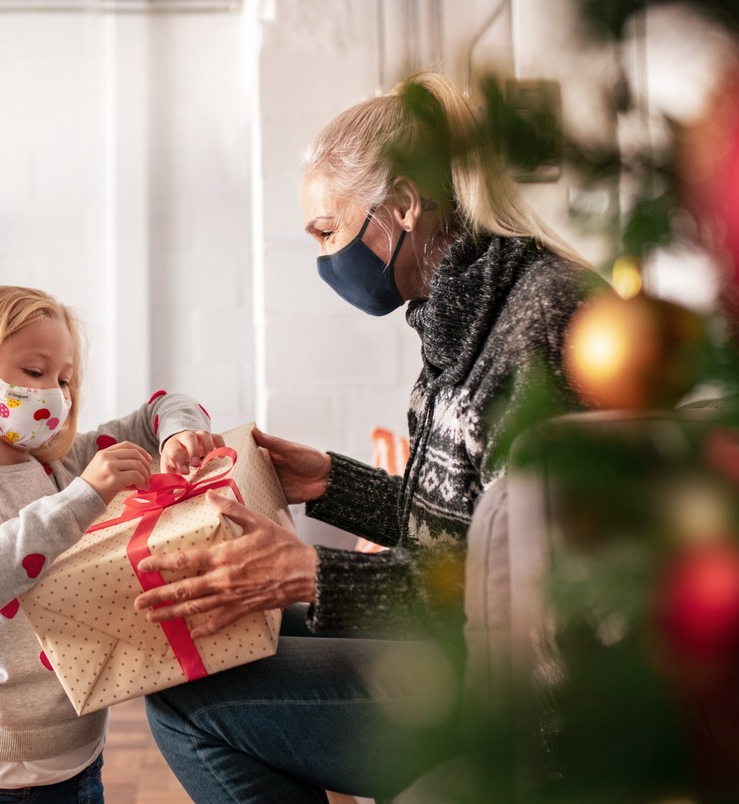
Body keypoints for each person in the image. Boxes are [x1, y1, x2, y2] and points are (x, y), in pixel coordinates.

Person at [134, 71, 609, 801]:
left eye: (329, 231)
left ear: (406, 206)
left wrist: (309, 575)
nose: (325, 257)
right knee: (219, 649)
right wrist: (328, 481)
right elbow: (464, 534)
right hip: (460, 644)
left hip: (516, 696)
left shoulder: (543, 321)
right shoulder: (464, 317)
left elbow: (525, 594)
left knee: (183, 698)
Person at [0, 285, 220, 803]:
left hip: (79, 763)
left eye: (65, 379)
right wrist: (83, 498)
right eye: (35, 372)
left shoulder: (58, 465)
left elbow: (166, 406)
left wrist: (180, 436)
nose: (56, 394)